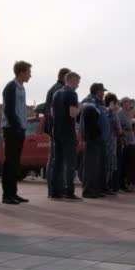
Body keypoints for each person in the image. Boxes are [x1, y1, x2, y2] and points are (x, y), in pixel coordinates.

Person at [1, 60, 31, 205]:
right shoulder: (11, 87)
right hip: (12, 129)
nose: (30, 76)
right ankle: (6, 195)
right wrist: (17, 126)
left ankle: (13, 193)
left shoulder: (21, 88)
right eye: (28, 72)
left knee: (15, 162)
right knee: (10, 161)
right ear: (21, 72)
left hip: (20, 128)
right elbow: (9, 110)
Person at [50, 72, 81, 200]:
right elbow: (73, 113)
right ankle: (69, 191)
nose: (78, 86)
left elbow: (52, 113)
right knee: (70, 162)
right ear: (72, 80)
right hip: (68, 131)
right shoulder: (72, 94)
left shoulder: (56, 93)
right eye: (78, 82)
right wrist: (81, 108)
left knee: (57, 161)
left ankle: (55, 191)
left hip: (56, 130)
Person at [44, 67, 71, 197]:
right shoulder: (59, 89)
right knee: (57, 159)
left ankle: (54, 189)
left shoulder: (54, 88)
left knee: (54, 158)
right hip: (57, 128)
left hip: (53, 127)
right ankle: (55, 189)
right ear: (64, 77)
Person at [81, 83, 107, 198]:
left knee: (97, 165)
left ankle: (95, 189)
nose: (104, 93)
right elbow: (89, 120)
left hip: (98, 138)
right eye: (102, 91)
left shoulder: (97, 102)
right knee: (92, 165)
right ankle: (89, 190)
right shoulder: (90, 102)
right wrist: (96, 134)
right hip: (93, 138)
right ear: (98, 91)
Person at [105, 93, 122, 193]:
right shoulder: (112, 113)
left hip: (105, 141)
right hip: (111, 142)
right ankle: (108, 186)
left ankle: (106, 186)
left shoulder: (103, 110)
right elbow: (119, 129)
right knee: (110, 165)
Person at [117, 97, 135, 192]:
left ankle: (124, 184)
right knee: (123, 163)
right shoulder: (121, 112)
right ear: (124, 103)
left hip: (129, 141)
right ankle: (120, 184)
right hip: (124, 140)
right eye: (129, 102)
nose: (130, 105)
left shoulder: (126, 113)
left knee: (127, 164)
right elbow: (122, 125)